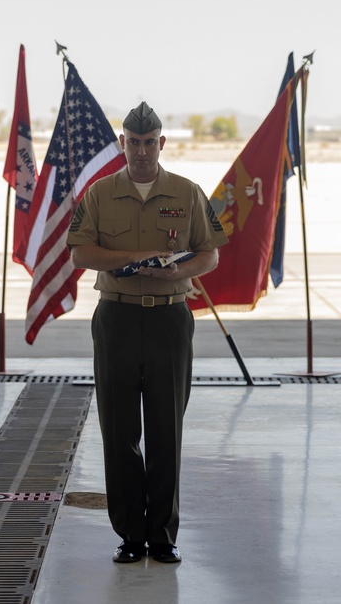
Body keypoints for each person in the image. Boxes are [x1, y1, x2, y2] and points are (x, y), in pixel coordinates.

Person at [67, 102, 228, 564]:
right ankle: (130, 535)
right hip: (116, 320)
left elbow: (209, 255)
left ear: (161, 143)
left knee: (165, 430)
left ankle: (161, 535)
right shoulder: (100, 194)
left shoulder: (186, 192)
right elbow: (80, 253)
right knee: (118, 431)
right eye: (133, 143)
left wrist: (173, 272)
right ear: (123, 144)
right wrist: (135, 261)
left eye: (148, 142)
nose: (140, 151)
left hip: (168, 319)